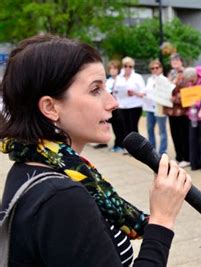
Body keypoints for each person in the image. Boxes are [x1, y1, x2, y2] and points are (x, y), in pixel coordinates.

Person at [0, 35, 191, 265]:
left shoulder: (34, 166)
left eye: (107, 88)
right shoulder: (62, 198)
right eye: (95, 90)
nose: (112, 102)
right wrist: (161, 221)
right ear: (50, 107)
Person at [183, 66, 201, 172]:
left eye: (192, 80)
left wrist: (197, 103)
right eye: (189, 81)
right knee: (193, 139)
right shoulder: (190, 83)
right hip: (192, 116)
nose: (190, 82)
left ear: (195, 76)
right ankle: (195, 163)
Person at [114, 56, 145, 150]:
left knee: (133, 127)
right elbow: (115, 91)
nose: (127, 68)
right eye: (125, 66)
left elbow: (143, 92)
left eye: (130, 66)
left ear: (132, 67)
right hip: (122, 106)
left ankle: (137, 148)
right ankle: (128, 148)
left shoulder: (137, 77)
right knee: (125, 128)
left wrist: (134, 93)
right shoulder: (119, 78)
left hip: (134, 106)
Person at [166, 53, 191, 168]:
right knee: (174, 133)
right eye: (173, 60)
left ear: (181, 61)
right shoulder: (170, 74)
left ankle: (186, 157)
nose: (175, 62)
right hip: (171, 110)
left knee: (183, 134)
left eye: (177, 60)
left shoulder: (186, 74)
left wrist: (175, 98)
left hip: (183, 110)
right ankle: (178, 156)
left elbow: (188, 92)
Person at [144, 59, 168, 156]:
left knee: (162, 130)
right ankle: (152, 150)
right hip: (150, 108)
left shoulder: (165, 80)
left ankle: (162, 151)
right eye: (152, 68)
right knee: (150, 129)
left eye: (157, 68)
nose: (154, 70)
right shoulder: (150, 80)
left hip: (160, 108)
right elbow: (146, 92)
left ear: (161, 68)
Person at [105, 59, 127, 153]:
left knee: (122, 127)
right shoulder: (108, 81)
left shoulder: (122, 80)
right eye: (111, 69)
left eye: (114, 68)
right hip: (112, 108)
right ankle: (117, 144)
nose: (113, 70)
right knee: (115, 127)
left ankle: (121, 145)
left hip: (122, 107)